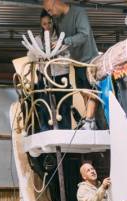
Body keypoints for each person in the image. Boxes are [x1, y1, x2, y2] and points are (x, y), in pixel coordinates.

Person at [42, 0, 100, 130]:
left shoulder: (78, 13)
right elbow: (64, 41)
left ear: (55, 2)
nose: (50, 14)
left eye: (50, 10)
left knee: (89, 89)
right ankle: (89, 121)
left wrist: (65, 41)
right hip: (76, 61)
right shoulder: (59, 20)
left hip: (89, 59)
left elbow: (84, 35)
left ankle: (91, 120)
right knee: (82, 90)